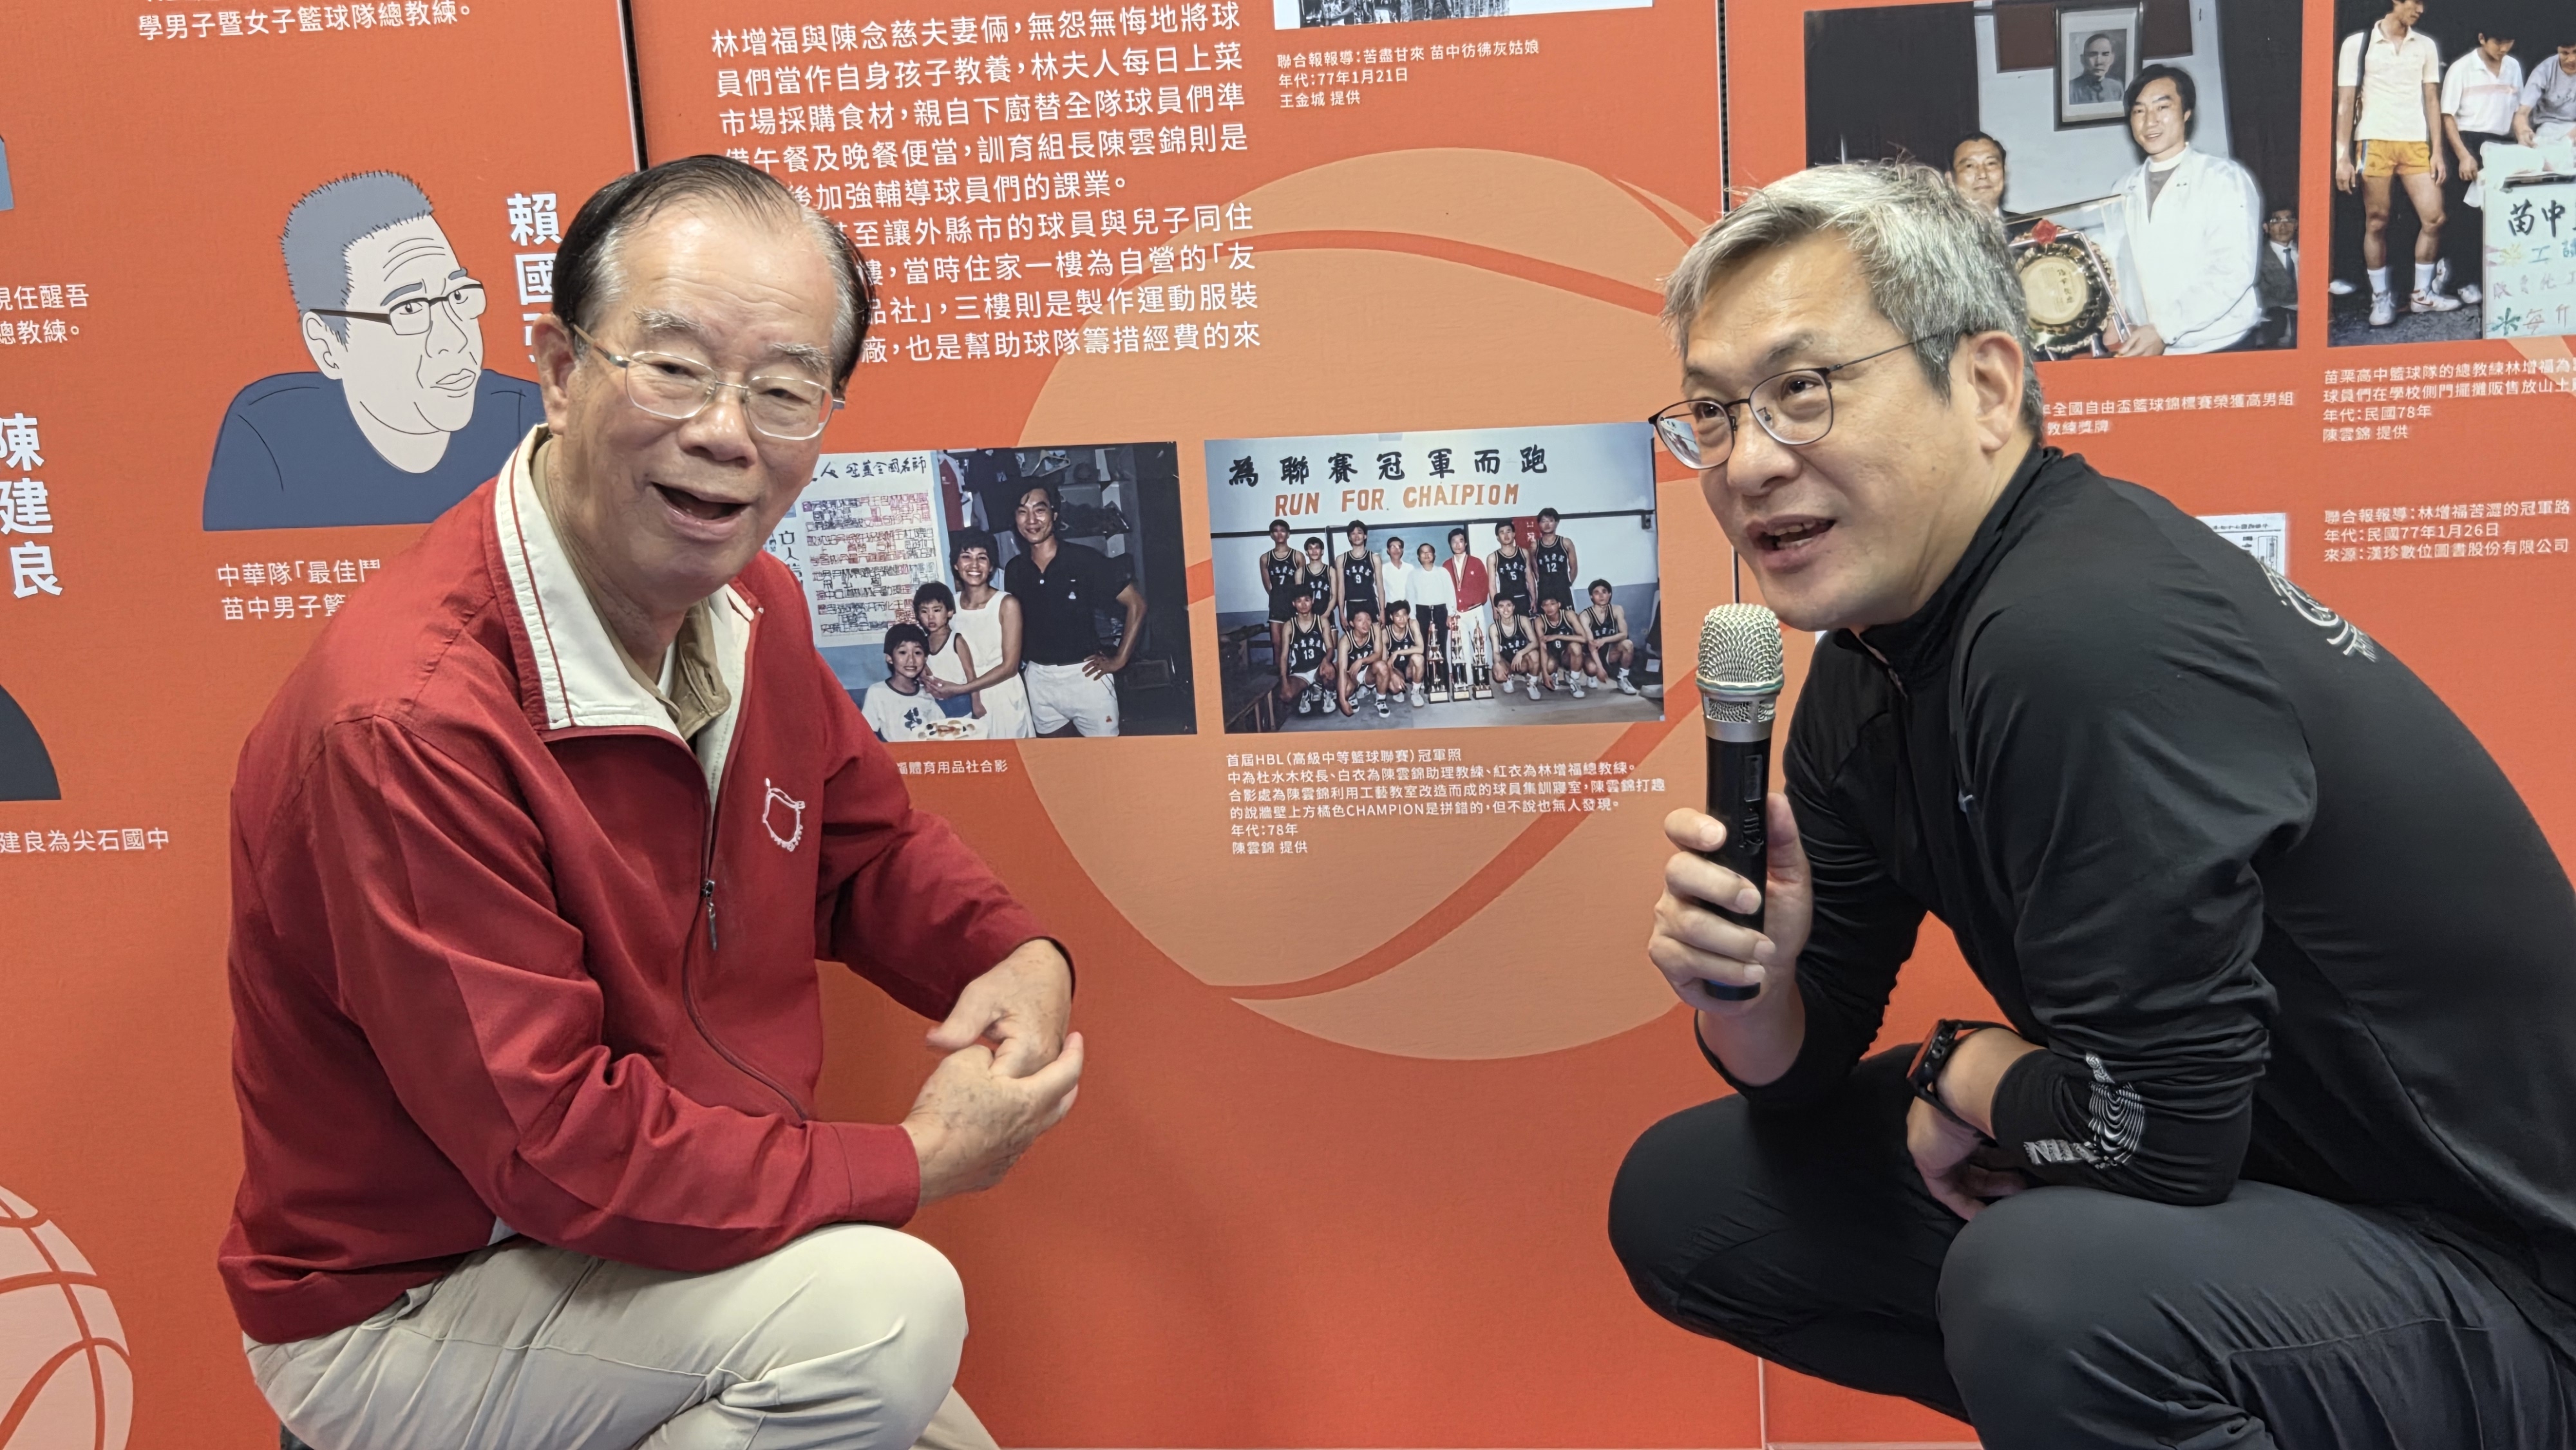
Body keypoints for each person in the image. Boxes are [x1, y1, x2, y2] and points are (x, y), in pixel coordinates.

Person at [1618, 160, 2576, 1446]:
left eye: (1802, 391)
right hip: (2268, 1198)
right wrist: (1747, 986)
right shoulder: (1868, 666)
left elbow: (2160, 1137)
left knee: (2050, 1292)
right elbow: (1802, 1069)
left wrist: (1961, 1066)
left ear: (1985, 385)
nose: (1745, 462)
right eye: (1712, 413)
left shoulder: (2082, 632)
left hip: (2515, 1276)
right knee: (1695, 1202)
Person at [223, 155, 1083, 1450]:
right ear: (560, 369)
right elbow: (552, 1143)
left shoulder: (749, 605)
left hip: (658, 1240)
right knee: (884, 1315)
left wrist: (1008, 951)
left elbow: (861, 846)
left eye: (783, 389)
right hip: (416, 1294)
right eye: (673, 367)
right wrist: (913, 1158)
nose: (728, 431)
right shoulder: (411, 718)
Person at [205, 171, 544, 530]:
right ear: (328, 345)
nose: (455, 339)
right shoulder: (271, 435)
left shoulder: (529, 420)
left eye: (457, 296)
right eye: (410, 308)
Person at [2106, 66, 2263, 355]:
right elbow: (2117, 266)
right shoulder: (2123, 188)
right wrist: (2115, 317)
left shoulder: (2222, 178)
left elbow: (2232, 270)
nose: (2150, 121)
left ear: (2187, 113)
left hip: (2220, 346)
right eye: (2139, 111)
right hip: (2148, 347)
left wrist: (2164, 329)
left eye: (2162, 107)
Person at [2336, 0, 2462, 327]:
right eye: (2414, 2)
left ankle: (2422, 294)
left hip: (2415, 141)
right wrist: (2342, 156)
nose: (2420, 9)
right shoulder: (2358, 43)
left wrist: (2437, 151)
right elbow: (2346, 102)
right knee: (2377, 221)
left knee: (2434, 217)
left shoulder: (2425, 45)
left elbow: (2432, 99)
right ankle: (2380, 297)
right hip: (2373, 140)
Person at [1003, 480, 1145, 738]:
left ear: (1055, 515)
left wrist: (1120, 660)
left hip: (1086, 676)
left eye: (1040, 510)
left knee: (1105, 759)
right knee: (1057, 758)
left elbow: (1136, 603)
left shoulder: (1084, 560)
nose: (1031, 520)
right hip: (1038, 679)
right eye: (1023, 512)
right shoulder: (1014, 570)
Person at [2442, 30, 2522, 305]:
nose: (2504, 48)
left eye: (2509, 41)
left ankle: (2495, 277)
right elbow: (2448, 117)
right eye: (2498, 42)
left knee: (2501, 214)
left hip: (2501, 144)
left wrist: (2523, 139)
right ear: (2481, 39)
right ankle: (2464, 281)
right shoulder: (2462, 68)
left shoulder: (2513, 67)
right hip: (2469, 142)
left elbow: (2517, 112)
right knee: (2467, 216)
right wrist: (2464, 156)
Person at [931, 529, 1033, 739]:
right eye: (966, 557)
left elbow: (1010, 668)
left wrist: (961, 689)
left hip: (1003, 696)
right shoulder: (949, 606)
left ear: (992, 566)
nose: (974, 565)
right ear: (956, 564)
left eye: (982, 558)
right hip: (962, 701)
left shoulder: (1007, 604)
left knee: (1009, 757)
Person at [864, 621, 976, 742]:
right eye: (903, 652)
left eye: (917, 653)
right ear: (889, 658)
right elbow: (865, 735)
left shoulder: (928, 692)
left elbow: (939, 733)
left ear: (925, 658)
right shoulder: (877, 693)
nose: (911, 660)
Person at [913, 583, 987, 733]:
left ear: (950, 612)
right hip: (935, 705)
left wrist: (976, 704)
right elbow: (925, 671)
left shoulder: (956, 640)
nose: (931, 617)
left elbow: (971, 675)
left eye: (937, 610)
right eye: (924, 611)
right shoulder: (923, 643)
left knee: (962, 739)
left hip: (960, 702)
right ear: (918, 615)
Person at [1275, 585, 1338, 717]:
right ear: (1294, 603)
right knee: (1286, 695)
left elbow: (1330, 648)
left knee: (1330, 671)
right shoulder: (1289, 625)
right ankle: (1306, 691)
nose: (1303, 604)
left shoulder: (1322, 621)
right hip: (1300, 673)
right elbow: (1284, 656)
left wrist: (1326, 660)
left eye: (1307, 600)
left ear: (1312, 601)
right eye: (1299, 601)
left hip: (1319, 669)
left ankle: (1327, 693)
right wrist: (1284, 680)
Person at [1441, 526, 1492, 672]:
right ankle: (1468, 679)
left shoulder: (1476, 562)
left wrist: (1477, 602)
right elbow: (1445, 590)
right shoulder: (1446, 565)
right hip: (1456, 613)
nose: (1458, 545)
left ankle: (1482, 678)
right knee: (1461, 647)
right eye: (1454, 542)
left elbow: (1484, 585)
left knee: (1480, 644)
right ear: (1450, 544)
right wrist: (1450, 612)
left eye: (1461, 541)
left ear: (1466, 543)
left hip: (1475, 610)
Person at [1256, 517, 1303, 670]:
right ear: (1272, 535)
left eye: (1283, 531)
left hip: (1293, 604)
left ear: (1288, 534)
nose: (1279, 534)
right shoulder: (1265, 558)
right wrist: (1278, 597)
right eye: (1276, 531)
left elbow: (1302, 584)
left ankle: (1296, 670)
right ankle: (1279, 671)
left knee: (1294, 641)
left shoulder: (1297, 556)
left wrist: (1298, 602)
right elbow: (1267, 585)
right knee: (1277, 642)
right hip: (1276, 604)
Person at [1581, 578, 1640, 695]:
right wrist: (1600, 669)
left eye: (1604, 592)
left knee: (1628, 644)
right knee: (1592, 669)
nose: (1601, 596)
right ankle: (1591, 676)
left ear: (1610, 594)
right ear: (1591, 597)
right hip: (1593, 653)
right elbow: (1592, 645)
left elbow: (1624, 634)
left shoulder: (1617, 610)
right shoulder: (1585, 615)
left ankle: (1622, 679)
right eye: (1597, 593)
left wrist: (1604, 640)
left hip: (1610, 651)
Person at [2515, 39, 2576, 146]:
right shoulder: (2543, 71)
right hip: (2548, 127)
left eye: (2575, 52)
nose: (2572, 59)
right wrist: (2523, 131)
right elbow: (2522, 113)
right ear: (2558, 51)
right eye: (2565, 53)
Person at [1411, 540, 1456, 684]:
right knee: (1425, 647)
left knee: (1441, 646)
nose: (1426, 555)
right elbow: (1410, 596)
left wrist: (1451, 614)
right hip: (1422, 612)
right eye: (1423, 553)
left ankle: (1443, 683)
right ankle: (1428, 682)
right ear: (1419, 557)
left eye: (1429, 552)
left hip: (1440, 611)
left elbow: (1450, 593)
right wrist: (1412, 618)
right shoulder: (1414, 574)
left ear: (1434, 555)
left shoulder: (1442, 572)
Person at [1534, 594, 1596, 699]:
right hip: (1554, 655)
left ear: (1559, 604)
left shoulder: (1568, 615)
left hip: (1570, 654)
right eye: (1546, 605)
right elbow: (1543, 647)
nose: (1549, 608)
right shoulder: (1540, 621)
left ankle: (1574, 681)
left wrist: (1557, 636)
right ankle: (1554, 675)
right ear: (1542, 607)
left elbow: (1584, 639)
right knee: (1549, 667)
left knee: (1591, 668)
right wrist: (1545, 674)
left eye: (1552, 604)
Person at [2255, 206, 2300, 347]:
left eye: (2289, 220)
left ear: (2296, 224)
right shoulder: (2256, 258)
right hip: (2273, 333)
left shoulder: (2310, 253)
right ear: (2266, 227)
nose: (2283, 226)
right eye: (2276, 221)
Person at [1488, 594, 1546, 697]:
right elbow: (1496, 652)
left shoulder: (1523, 620)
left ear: (1514, 607)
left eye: (1509, 605)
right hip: (1507, 662)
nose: (1506, 610)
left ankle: (1531, 683)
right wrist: (1497, 664)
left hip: (1522, 661)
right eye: (1501, 606)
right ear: (1497, 609)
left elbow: (1535, 642)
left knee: (1535, 654)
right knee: (1498, 673)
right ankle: (1508, 677)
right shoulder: (1494, 628)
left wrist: (1520, 653)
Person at [1488, 520, 1535, 644]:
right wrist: (1494, 608)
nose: (1506, 535)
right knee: (1509, 637)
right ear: (1498, 537)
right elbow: (1492, 585)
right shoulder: (1493, 557)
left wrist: (1534, 598)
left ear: (1514, 534)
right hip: (1506, 603)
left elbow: (1529, 576)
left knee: (1528, 635)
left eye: (1508, 531)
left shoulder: (1523, 552)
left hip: (1523, 599)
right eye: (1502, 532)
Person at [1334, 605, 1382, 717]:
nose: (1366, 624)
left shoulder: (1375, 630)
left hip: (1367, 671)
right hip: (1352, 674)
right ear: (1352, 623)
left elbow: (1378, 654)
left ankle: (1380, 699)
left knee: (1381, 666)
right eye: (1360, 620)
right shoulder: (1345, 641)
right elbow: (1342, 671)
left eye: (1368, 619)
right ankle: (1351, 694)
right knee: (1346, 691)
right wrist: (1342, 700)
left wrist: (1361, 661)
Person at [1381, 599, 1426, 713]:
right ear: (1391, 617)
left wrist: (1397, 653)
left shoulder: (1413, 624)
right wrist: (1393, 675)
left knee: (1419, 658)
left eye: (1404, 615)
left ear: (1408, 616)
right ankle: (1399, 690)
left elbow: (1421, 649)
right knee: (1395, 687)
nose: (1402, 619)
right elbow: (1384, 661)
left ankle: (1415, 691)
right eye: (1398, 616)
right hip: (1396, 669)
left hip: (1409, 668)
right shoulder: (1385, 632)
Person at [1946, 133, 2008, 215]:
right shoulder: (1935, 223)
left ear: (2005, 171)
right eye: (1969, 166)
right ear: (1950, 179)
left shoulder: (2024, 222)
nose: (1983, 175)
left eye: (1991, 164)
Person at [1531, 507, 1579, 612]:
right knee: (1545, 619)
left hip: (1562, 588)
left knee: (1569, 617)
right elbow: (1535, 569)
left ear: (1557, 523)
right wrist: (1542, 582)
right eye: (1544, 521)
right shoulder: (1535, 546)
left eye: (1551, 521)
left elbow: (1574, 568)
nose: (1547, 525)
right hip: (1544, 589)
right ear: (1539, 524)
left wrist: (1567, 583)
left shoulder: (1565, 542)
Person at [1336, 520, 1381, 632]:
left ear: (1365, 536)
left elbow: (1380, 587)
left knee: (1375, 637)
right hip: (1352, 604)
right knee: (1354, 639)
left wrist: (1383, 612)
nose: (1357, 536)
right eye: (1353, 534)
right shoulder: (1342, 559)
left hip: (1370, 602)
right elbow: (1341, 589)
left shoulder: (1374, 558)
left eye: (1360, 533)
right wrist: (1341, 613)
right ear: (1349, 537)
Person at [2067, 33, 2123, 106]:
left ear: (2112, 59)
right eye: (2093, 55)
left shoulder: (2116, 88)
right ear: (2083, 60)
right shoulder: (2071, 89)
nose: (2099, 62)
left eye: (2105, 55)